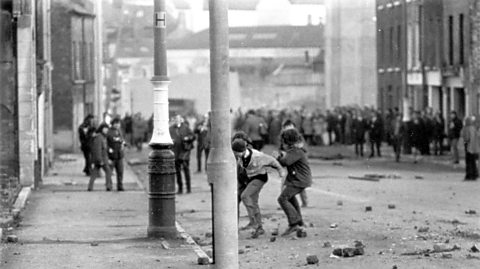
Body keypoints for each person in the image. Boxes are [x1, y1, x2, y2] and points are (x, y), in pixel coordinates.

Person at [232, 139, 285, 239]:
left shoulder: (257, 156)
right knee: (253, 201)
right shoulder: (241, 157)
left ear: (242, 151)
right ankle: (259, 227)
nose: (236, 155)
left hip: (260, 178)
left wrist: (281, 171)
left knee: (245, 196)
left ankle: (254, 222)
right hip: (250, 179)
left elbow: (272, 161)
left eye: (236, 153)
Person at [273, 128, 312, 236]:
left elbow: (286, 162)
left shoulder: (296, 151)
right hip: (298, 179)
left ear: (287, 142)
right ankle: (299, 222)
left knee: (282, 199)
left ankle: (294, 223)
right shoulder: (296, 150)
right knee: (290, 198)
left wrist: (277, 157)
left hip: (300, 180)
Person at [280, 120, 308, 208]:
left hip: (295, 163)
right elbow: (281, 147)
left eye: (290, 127)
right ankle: (287, 201)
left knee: (298, 182)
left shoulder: (298, 137)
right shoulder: (283, 136)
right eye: (286, 128)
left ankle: (304, 201)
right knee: (286, 182)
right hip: (288, 161)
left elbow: (304, 149)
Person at [170, 115, 195, 194]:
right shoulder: (170, 129)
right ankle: (180, 188)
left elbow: (193, 136)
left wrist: (188, 138)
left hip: (184, 151)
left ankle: (188, 188)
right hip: (175, 151)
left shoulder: (186, 127)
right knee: (177, 171)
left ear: (181, 120)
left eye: (179, 119)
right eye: (176, 119)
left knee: (186, 169)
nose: (177, 120)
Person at [88, 123, 113, 191]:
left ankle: (90, 187)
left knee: (95, 173)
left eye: (107, 128)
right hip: (101, 159)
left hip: (101, 158)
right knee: (108, 171)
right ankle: (108, 186)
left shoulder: (102, 137)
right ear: (101, 129)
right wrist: (100, 160)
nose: (106, 130)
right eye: (105, 128)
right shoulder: (99, 137)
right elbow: (98, 149)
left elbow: (104, 147)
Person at [107, 118, 126, 191]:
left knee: (120, 172)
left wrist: (124, 144)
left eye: (119, 123)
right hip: (112, 156)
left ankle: (120, 186)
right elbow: (106, 143)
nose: (118, 125)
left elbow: (122, 140)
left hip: (120, 155)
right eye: (116, 123)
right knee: (110, 172)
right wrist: (109, 150)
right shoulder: (109, 132)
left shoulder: (120, 131)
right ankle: (109, 186)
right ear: (113, 124)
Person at [462, 116, 478, 181]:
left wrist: (464, 141)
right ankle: (474, 175)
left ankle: (469, 175)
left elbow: (466, 138)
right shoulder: (473, 128)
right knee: (473, 161)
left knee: (468, 161)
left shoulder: (466, 128)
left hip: (468, 146)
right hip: (474, 147)